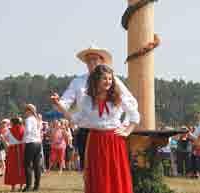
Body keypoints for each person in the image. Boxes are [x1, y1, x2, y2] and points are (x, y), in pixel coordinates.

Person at [52, 65, 140, 193]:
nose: (108, 82)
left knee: (115, 174)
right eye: (104, 79)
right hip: (95, 140)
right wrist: (59, 105)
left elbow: (134, 114)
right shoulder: (88, 99)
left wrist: (127, 130)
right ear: (96, 80)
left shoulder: (118, 96)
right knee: (99, 175)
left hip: (114, 141)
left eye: (110, 79)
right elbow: (75, 119)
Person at [51, 46, 138, 171]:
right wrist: (58, 103)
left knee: (112, 170)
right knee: (89, 171)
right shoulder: (78, 82)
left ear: (102, 61)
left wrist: (125, 127)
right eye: (89, 60)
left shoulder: (113, 80)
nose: (92, 62)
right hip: (87, 133)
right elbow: (65, 104)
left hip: (112, 134)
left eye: (95, 59)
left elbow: (131, 103)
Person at [22, 104, 42, 192]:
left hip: (30, 143)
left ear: (29, 111)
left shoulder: (29, 119)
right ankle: (36, 186)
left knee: (27, 165)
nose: (24, 112)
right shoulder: (36, 119)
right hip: (38, 143)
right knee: (36, 165)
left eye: (25, 111)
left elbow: (28, 131)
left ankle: (28, 186)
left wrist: (23, 140)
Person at [4, 117, 26, 192]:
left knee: (12, 168)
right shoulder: (23, 129)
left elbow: (5, 138)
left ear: (13, 123)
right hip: (21, 150)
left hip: (12, 150)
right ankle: (21, 186)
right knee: (21, 168)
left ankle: (13, 187)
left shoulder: (9, 130)